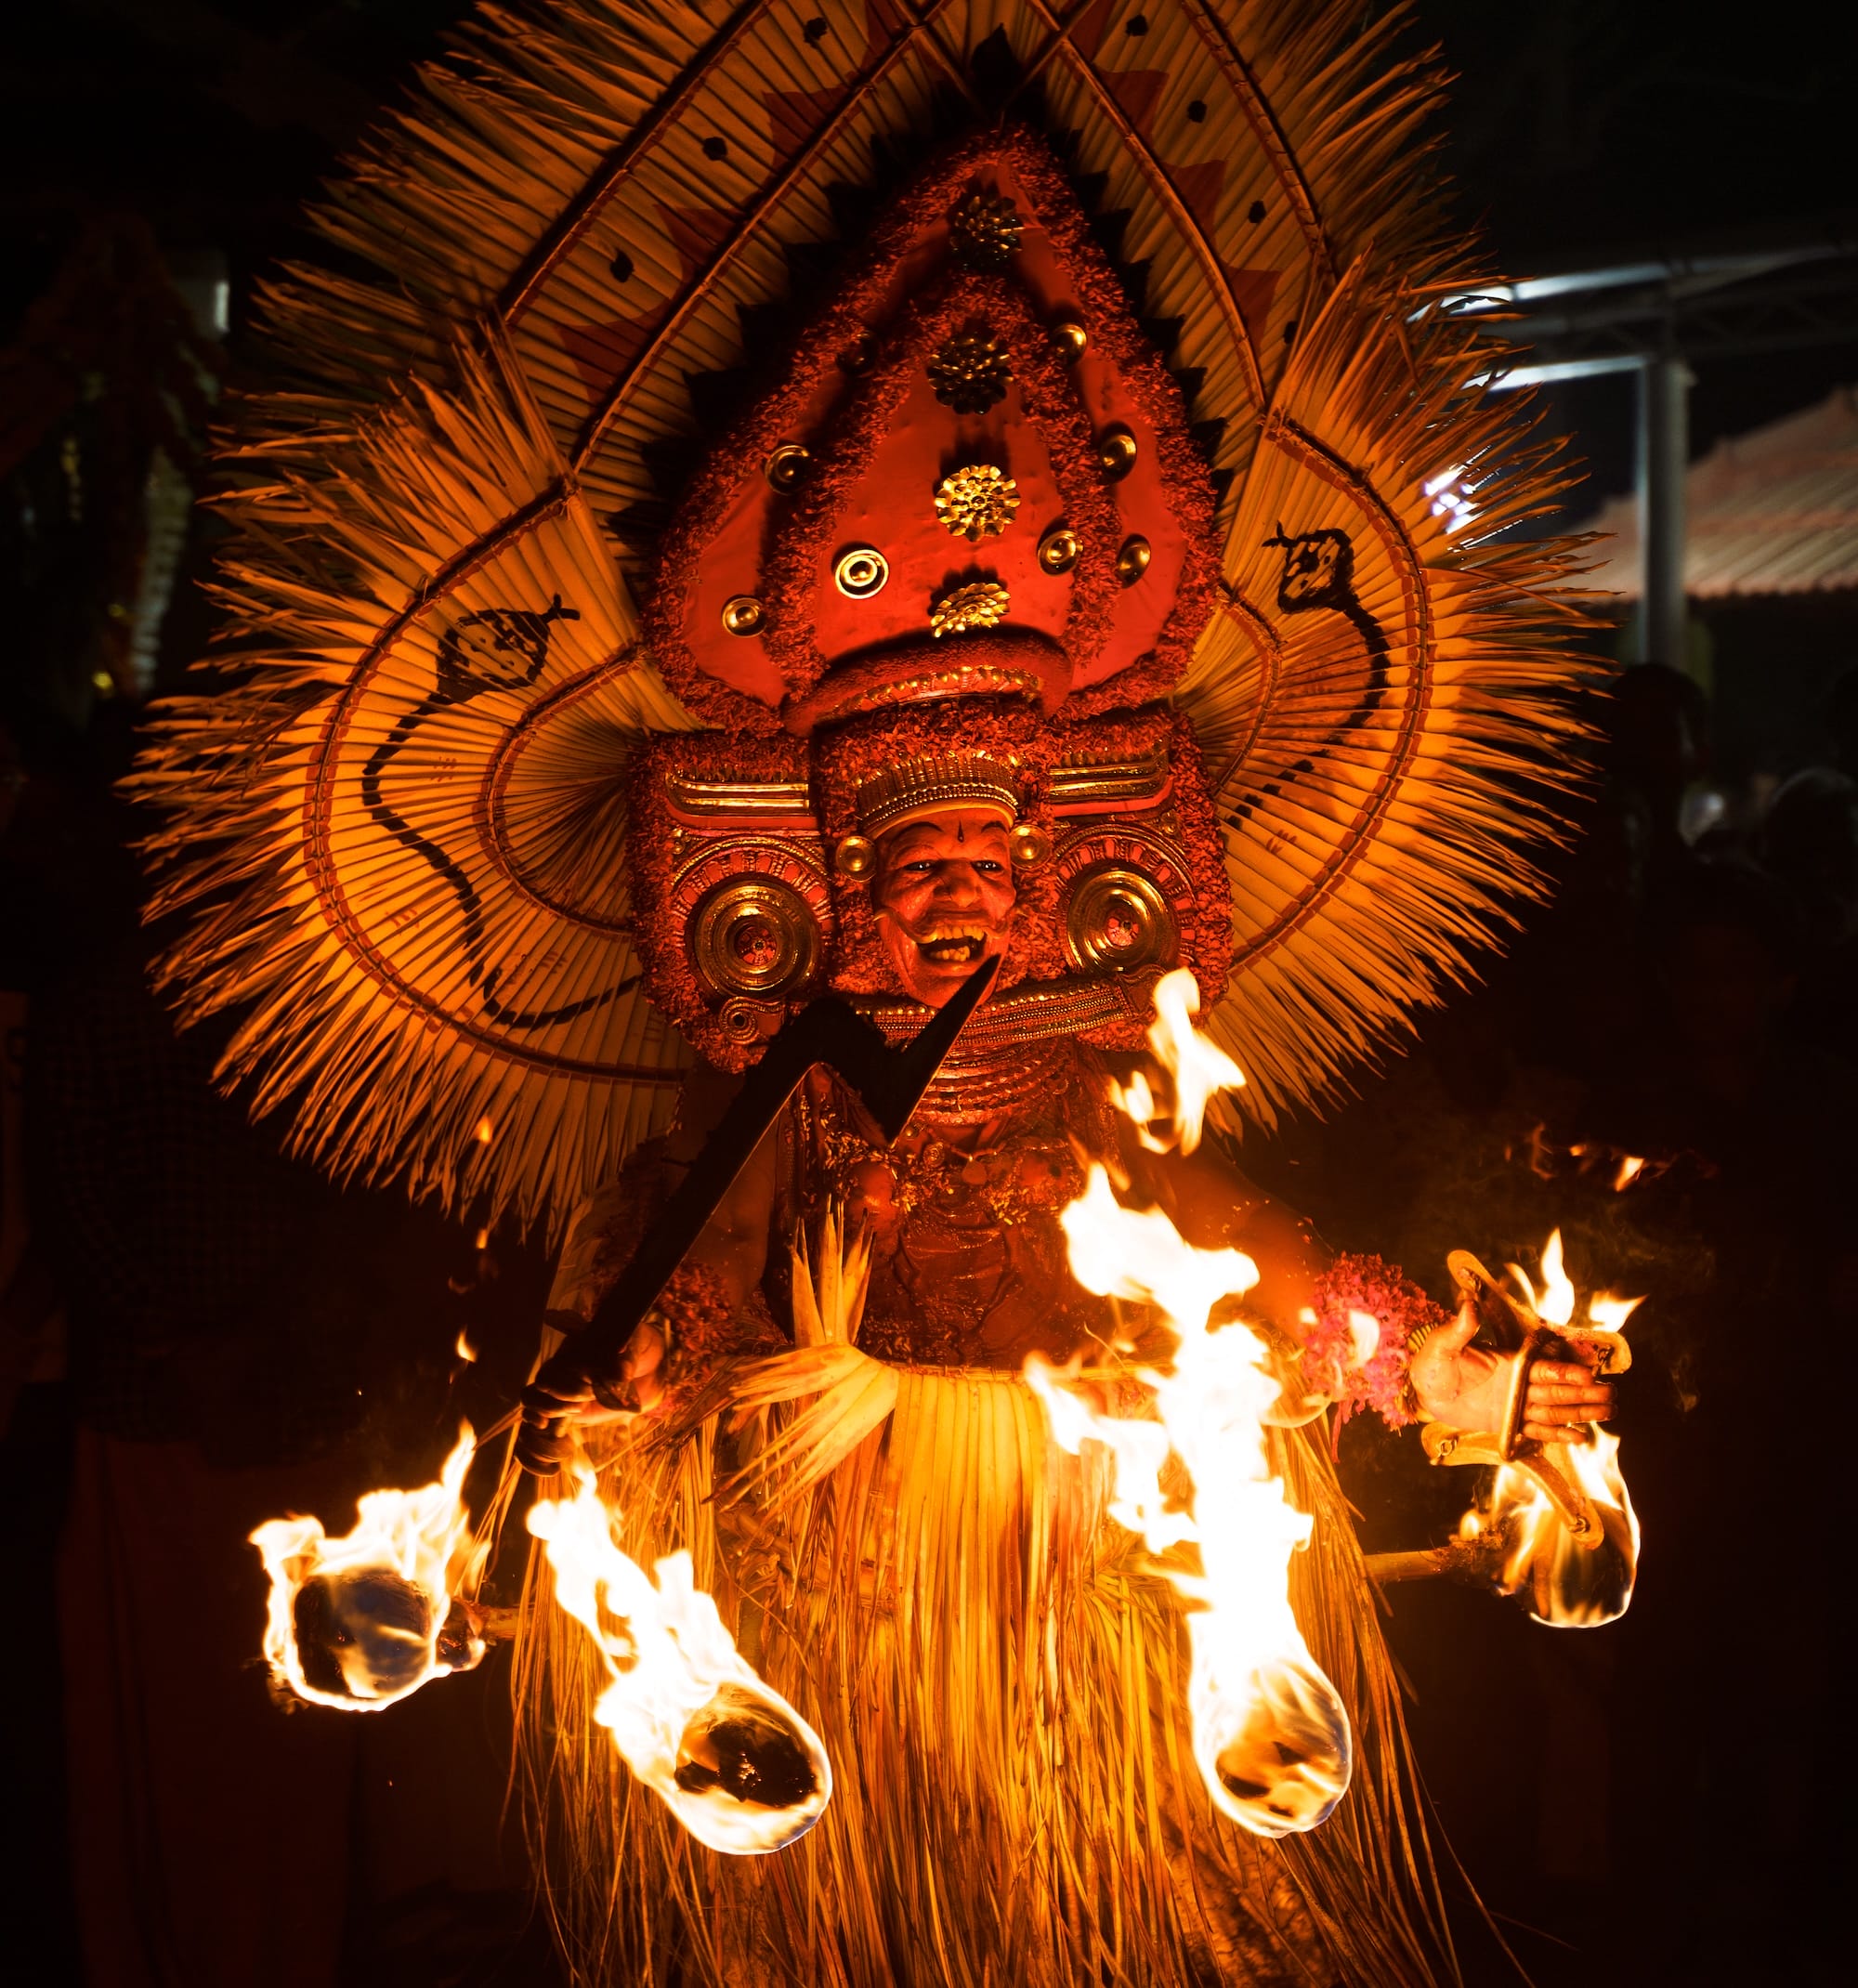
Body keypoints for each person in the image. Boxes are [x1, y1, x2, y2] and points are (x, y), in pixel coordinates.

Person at [135, 6, 1624, 1983]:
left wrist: (1468, 1377)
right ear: (811, 889)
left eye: (992, 868)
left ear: (1071, 862)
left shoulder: (1114, 1106)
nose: (961, 910)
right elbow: (684, 1291)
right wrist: (610, 1399)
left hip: (1111, 1597)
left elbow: (1244, 1278)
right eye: (915, 871)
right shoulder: (792, 1104)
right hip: (836, 1598)